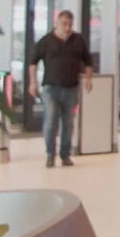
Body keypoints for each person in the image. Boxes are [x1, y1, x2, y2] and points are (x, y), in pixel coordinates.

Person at [27, 9, 92, 167]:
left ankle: (65, 155)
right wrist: (33, 83)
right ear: (57, 23)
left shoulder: (78, 40)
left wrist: (88, 79)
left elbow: (88, 61)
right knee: (51, 121)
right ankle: (50, 154)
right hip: (51, 89)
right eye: (64, 24)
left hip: (71, 89)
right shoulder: (46, 41)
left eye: (70, 24)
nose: (67, 28)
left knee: (68, 123)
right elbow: (33, 62)